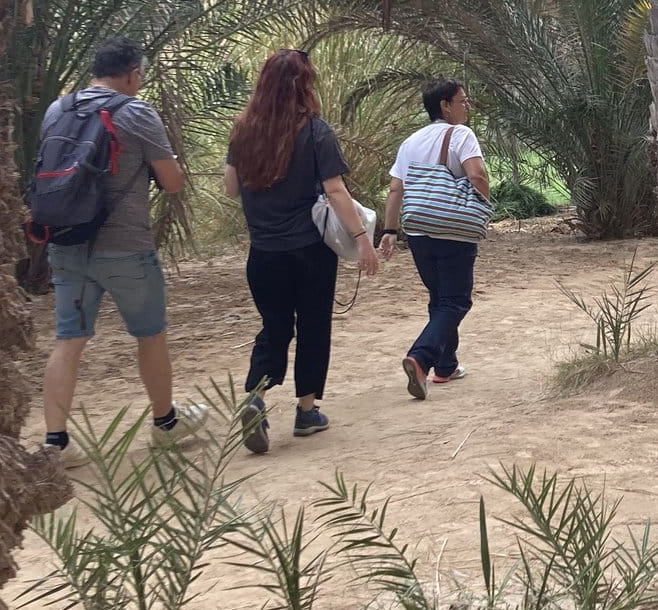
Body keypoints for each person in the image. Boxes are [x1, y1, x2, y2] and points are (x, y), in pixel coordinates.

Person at [38, 37, 206, 461]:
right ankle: (165, 424)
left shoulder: (58, 110)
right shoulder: (136, 113)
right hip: (126, 247)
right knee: (150, 335)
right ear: (132, 74)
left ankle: (55, 443)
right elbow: (172, 182)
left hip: (66, 243)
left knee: (69, 339)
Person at [224, 50, 378, 452]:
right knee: (313, 326)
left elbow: (230, 187)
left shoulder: (242, 130)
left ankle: (255, 396)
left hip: (263, 253)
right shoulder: (314, 132)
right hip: (309, 250)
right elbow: (335, 191)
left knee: (274, 327)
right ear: (304, 85)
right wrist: (362, 239)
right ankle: (306, 411)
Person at [379, 79, 490, 396]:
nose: (466, 106)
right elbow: (477, 175)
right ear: (445, 105)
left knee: (439, 297)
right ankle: (421, 357)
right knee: (456, 301)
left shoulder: (410, 142)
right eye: (462, 101)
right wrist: (484, 207)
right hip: (453, 229)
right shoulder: (461, 135)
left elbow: (396, 189)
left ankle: (446, 366)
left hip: (418, 232)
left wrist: (389, 230)